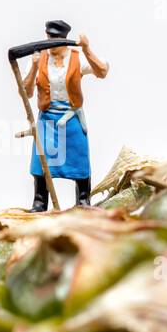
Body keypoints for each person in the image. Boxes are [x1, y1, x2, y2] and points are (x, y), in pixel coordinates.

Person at [23, 20, 109, 211]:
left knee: (79, 156)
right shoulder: (39, 59)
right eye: (49, 39)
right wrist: (34, 68)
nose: (51, 44)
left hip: (71, 117)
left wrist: (86, 48)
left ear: (64, 40)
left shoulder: (76, 58)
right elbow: (26, 92)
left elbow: (102, 71)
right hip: (47, 117)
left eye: (56, 40)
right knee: (41, 159)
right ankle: (39, 200)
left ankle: (84, 199)